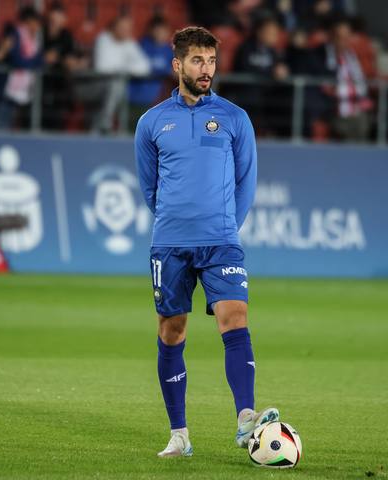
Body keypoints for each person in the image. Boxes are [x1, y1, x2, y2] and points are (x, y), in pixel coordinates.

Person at [134, 26, 278, 458]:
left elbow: (246, 182)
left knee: (235, 317)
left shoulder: (235, 118)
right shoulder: (151, 122)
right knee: (171, 330)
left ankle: (246, 417)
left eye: (212, 61)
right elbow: (149, 188)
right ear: (177, 65)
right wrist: (176, 219)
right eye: (198, 60)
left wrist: (226, 225)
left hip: (221, 241)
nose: (206, 69)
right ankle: (179, 434)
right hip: (170, 243)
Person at [128, 16, 174, 129]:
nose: (161, 34)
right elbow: (144, 66)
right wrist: (166, 70)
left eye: (164, 31)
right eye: (158, 30)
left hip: (155, 98)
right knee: (133, 129)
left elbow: (175, 69)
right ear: (151, 31)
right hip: (135, 95)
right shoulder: (141, 46)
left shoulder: (168, 50)